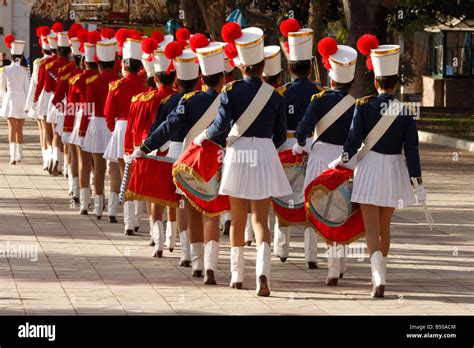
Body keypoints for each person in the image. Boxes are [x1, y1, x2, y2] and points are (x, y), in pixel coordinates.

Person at [194, 23, 291, 296]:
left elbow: (220, 128)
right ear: (262, 65)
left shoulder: (231, 91)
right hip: (263, 153)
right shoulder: (274, 95)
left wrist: (203, 137)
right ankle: (263, 275)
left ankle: (237, 277)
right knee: (261, 220)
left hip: (237, 154)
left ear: (240, 65)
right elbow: (281, 135)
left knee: (237, 220)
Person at [328, 34, 425, 298]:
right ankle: (382, 274)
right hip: (394, 168)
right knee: (385, 226)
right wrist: (417, 180)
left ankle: (377, 278)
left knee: (370, 227)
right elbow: (412, 148)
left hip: (369, 168)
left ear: (375, 81)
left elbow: (352, 141)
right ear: (396, 83)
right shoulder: (406, 111)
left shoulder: (363, 106)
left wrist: (343, 160)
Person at [134, 35, 226, 284]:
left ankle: (194, 260)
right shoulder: (229, 99)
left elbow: (168, 126)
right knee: (212, 213)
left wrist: (146, 146)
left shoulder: (188, 101)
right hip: (219, 161)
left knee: (189, 209)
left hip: (191, 161)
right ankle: (211, 266)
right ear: (221, 77)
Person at [294, 37, 358, 285]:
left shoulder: (319, 100)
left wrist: (300, 145)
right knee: (342, 211)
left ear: (331, 77)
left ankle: (321, 260)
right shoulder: (357, 105)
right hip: (345, 159)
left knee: (319, 210)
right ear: (350, 81)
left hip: (320, 158)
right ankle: (339, 264)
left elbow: (303, 129)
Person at [135, 41, 198, 264]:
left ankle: (173, 247)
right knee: (196, 201)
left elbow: (161, 129)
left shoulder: (171, 100)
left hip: (174, 151)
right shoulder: (207, 99)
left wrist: (145, 147)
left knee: (171, 198)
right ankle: (197, 254)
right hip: (202, 153)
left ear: (178, 80)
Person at [274, 19, 321, 268]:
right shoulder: (319, 91)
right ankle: (311, 254)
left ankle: (281, 248)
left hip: (285, 145)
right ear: (309, 69)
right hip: (312, 145)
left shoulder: (281, 92)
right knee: (309, 197)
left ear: (290, 67)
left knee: (283, 195)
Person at [127, 34, 177, 246]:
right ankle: (172, 238)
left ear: (155, 78)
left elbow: (134, 129)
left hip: (148, 149)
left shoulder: (141, 99)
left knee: (152, 194)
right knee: (175, 193)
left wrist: (133, 149)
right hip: (175, 148)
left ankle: (156, 236)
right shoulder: (179, 97)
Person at [103, 35, 147, 234]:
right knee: (137, 175)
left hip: (122, 128)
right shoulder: (146, 86)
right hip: (141, 131)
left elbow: (108, 113)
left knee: (122, 174)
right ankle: (135, 219)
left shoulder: (116, 86)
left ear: (124, 66)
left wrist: (115, 127)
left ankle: (121, 216)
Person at [82, 30, 121, 220]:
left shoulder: (92, 81)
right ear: (114, 63)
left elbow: (88, 108)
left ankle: (98, 208)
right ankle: (112, 210)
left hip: (96, 124)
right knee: (114, 168)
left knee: (98, 167)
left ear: (98, 64)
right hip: (114, 125)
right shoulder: (118, 81)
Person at [67, 32, 100, 215]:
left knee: (83, 161)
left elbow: (72, 106)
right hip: (99, 120)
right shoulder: (109, 81)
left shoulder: (76, 79)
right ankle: (98, 198)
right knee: (99, 164)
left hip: (82, 117)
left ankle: (83, 201)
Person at [24, 26, 52, 169]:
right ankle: (54, 158)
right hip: (58, 100)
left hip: (42, 99)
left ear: (42, 48)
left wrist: (29, 105)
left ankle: (47, 159)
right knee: (55, 132)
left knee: (43, 130)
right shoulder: (61, 62)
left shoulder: (38, 63)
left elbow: (34, 84)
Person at [33, 25, 58, 172]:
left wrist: (35, 99)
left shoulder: (41, 63)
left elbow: (38, 83)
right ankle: (58, 160)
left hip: (46, 97)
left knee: (46, 131)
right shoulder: (68, 64)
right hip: (61, 99)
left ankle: (49, 159)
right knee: (58, 133)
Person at [0, 35, 28, 164]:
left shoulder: (5, 69)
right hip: (21, 98)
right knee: (20, 128)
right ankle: (19, 155)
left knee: (11, 128)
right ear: (21, 57)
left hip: (10, 98)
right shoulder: (24, 70)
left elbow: (2, 88)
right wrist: (29, 104)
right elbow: (26, 89)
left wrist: (4, 99)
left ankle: (12, 156)